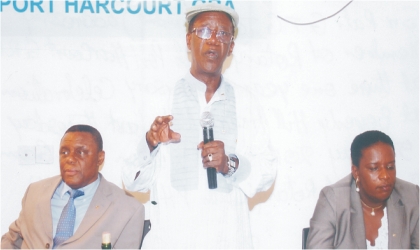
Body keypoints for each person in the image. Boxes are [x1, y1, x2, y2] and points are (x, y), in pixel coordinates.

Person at [121, 2, 276, 248]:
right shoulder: (159, 100)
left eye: (223, 33)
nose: (213, 40)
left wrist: (230, 164)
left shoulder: (247, 102)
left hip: (228, 238)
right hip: (173, 239)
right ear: (188, 40)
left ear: (231, 46)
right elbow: (131, 180)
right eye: (204, 31)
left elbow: (267, 174)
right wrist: (150, 143)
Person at [1, 125, 145, 249]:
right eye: (64, 152)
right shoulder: (35, 192)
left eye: (80, 152)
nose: (69, 158)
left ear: (100, 158)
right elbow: (12, 240)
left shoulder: (127, 209)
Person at [307, 130, 419, 249]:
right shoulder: (333, 200)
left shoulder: (411, 195)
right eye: (374, 168)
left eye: (390, 167)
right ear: (356, 172)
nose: (385, 175)